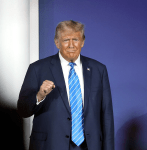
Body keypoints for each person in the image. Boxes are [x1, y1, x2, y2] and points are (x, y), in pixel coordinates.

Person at [17, 20, 114, 150]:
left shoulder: (98, 70)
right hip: (50, 145)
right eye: (66, 40)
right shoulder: (37, 69)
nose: (71, 45)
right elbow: (23, 110)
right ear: (57, 43)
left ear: (83, 42)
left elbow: (106, 115)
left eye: (76, 39)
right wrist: (39, 96)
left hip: (89, 146)